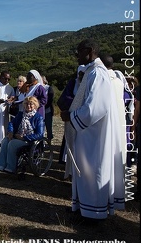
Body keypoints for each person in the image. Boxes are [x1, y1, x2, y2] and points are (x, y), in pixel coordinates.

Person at [60, 38, 124, 220]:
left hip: (95, 135)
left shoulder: (99, 73)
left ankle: (93, 214)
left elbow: (95, 107)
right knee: (84, 170)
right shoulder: (91, 71)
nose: (76, 55)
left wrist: (71, 116)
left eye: (79, 51)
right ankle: (82, 207)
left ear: (89, 51)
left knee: (94, 170)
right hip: (87, 132)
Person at [0, 96, 44, 174]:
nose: (28, 106)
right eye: (26, 104)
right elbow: (11, 123)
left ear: (35, 105)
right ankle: (1, 164)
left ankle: (10, 167)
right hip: (17, 136)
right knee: (5, 141)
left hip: (29, 140)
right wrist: (10, 132)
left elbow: (39, 134)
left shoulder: (38, 117)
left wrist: (24, 138)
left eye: (31, 104)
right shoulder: (20, 114)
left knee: (12, 144)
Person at [56, 65, 85, 165]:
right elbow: (66, 97)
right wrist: (76, 103)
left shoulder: (89, 83)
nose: (81, 76)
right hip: (72, 115)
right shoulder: (73, 83)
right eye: (80, 74)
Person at [41, 75, 54, 143]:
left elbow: (50, 99)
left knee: (48, 126)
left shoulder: (49, 88)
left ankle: (49, 141)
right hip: (40, 110)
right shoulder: (38, 88)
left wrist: (44, 106)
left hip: (47, 110)